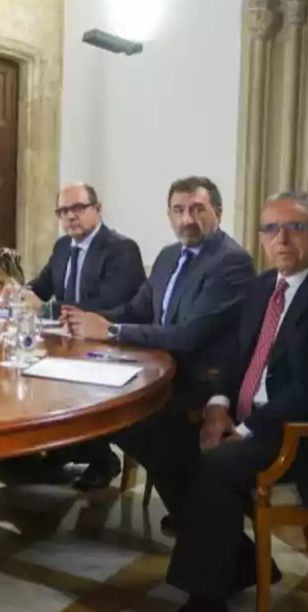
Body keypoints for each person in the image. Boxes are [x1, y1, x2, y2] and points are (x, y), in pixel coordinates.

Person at [137, 191, 308, 612]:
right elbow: (237, 359)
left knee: (217, 464)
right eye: (271, 229)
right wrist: (217, 406)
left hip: (305, 439)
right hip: (251, 420)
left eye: (295, 227)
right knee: (160, 431)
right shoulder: (263, 286)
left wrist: (246, 429)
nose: (282, 239)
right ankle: (236, 561)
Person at [63, 176, 256, 521]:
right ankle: (192, 508)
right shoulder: (169, 257)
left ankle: (201, 517)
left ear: (219, 213)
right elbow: (136, 309)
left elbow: (188, 335)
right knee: (93, 401)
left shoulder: (231, 262)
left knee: (131, 420)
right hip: (159, 372)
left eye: (198, 209)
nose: (187, 219)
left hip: (201, 382)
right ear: (168, 215)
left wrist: (111, 330)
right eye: (179, 210)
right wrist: (86, 321)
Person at [26, 183, 146, 490]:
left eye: (78, 208)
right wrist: (20, 293)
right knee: (25, 380)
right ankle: (55, 449)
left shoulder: (121, 249)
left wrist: (48, 309)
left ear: (98, 209)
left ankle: (100, 457)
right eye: (63, 211)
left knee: (71, 390)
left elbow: (109, 306)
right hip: (65, 345)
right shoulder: (63, 247)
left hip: (109, 346)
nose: (70, 217)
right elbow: (40, 286)